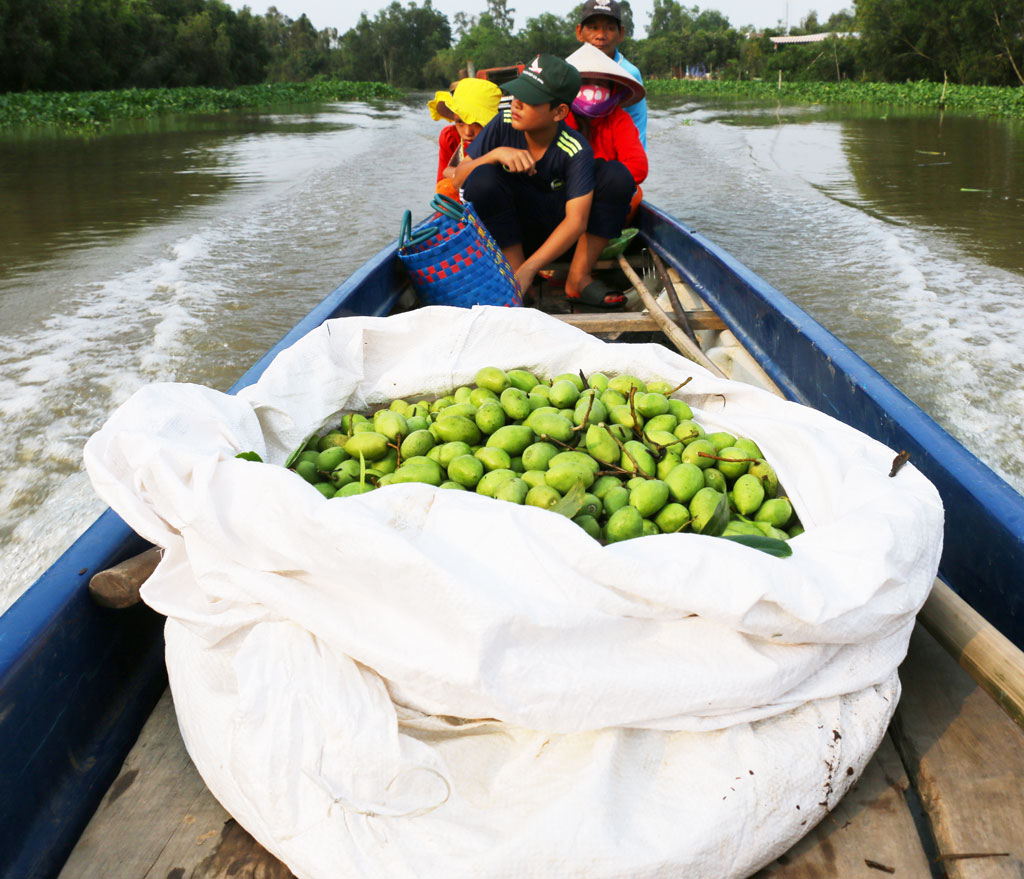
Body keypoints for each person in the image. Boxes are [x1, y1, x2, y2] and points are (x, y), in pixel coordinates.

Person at [454, 54, 636, 308]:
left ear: (559, 112)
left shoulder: (574, 149)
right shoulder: (502, 123)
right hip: (514, 235)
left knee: (617, 176)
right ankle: (516, 279)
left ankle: (577, 277)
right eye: (517, 96)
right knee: (481, 177)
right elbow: (458, 180)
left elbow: (576, 221)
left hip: (562, 239)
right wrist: (495, 155)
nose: (516, 104)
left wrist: (530, 270)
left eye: (528, 101)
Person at [565, 42, 647, 219]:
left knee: (635, 194)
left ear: (612, 89)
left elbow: (638, 167)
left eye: (601, 83)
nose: (593, 89)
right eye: (585, 82)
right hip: (566, 193)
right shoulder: (561, 115)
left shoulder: (619, 119)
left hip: (606, 193)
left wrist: (600, 178)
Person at [574, 0, 647, 148]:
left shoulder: (629, 75)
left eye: (610, 28)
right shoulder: (569, 69)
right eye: (593, 28)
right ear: (579, 32)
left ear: (621, 34)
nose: (601, 35)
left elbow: (637, 127)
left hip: (612, 155)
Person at [428, 78, 502, 198]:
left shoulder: (503, 138)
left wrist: (454, 172)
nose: (467, 132)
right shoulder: (450, 137)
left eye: (477, 123)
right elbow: (442, 183)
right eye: (460, 122)